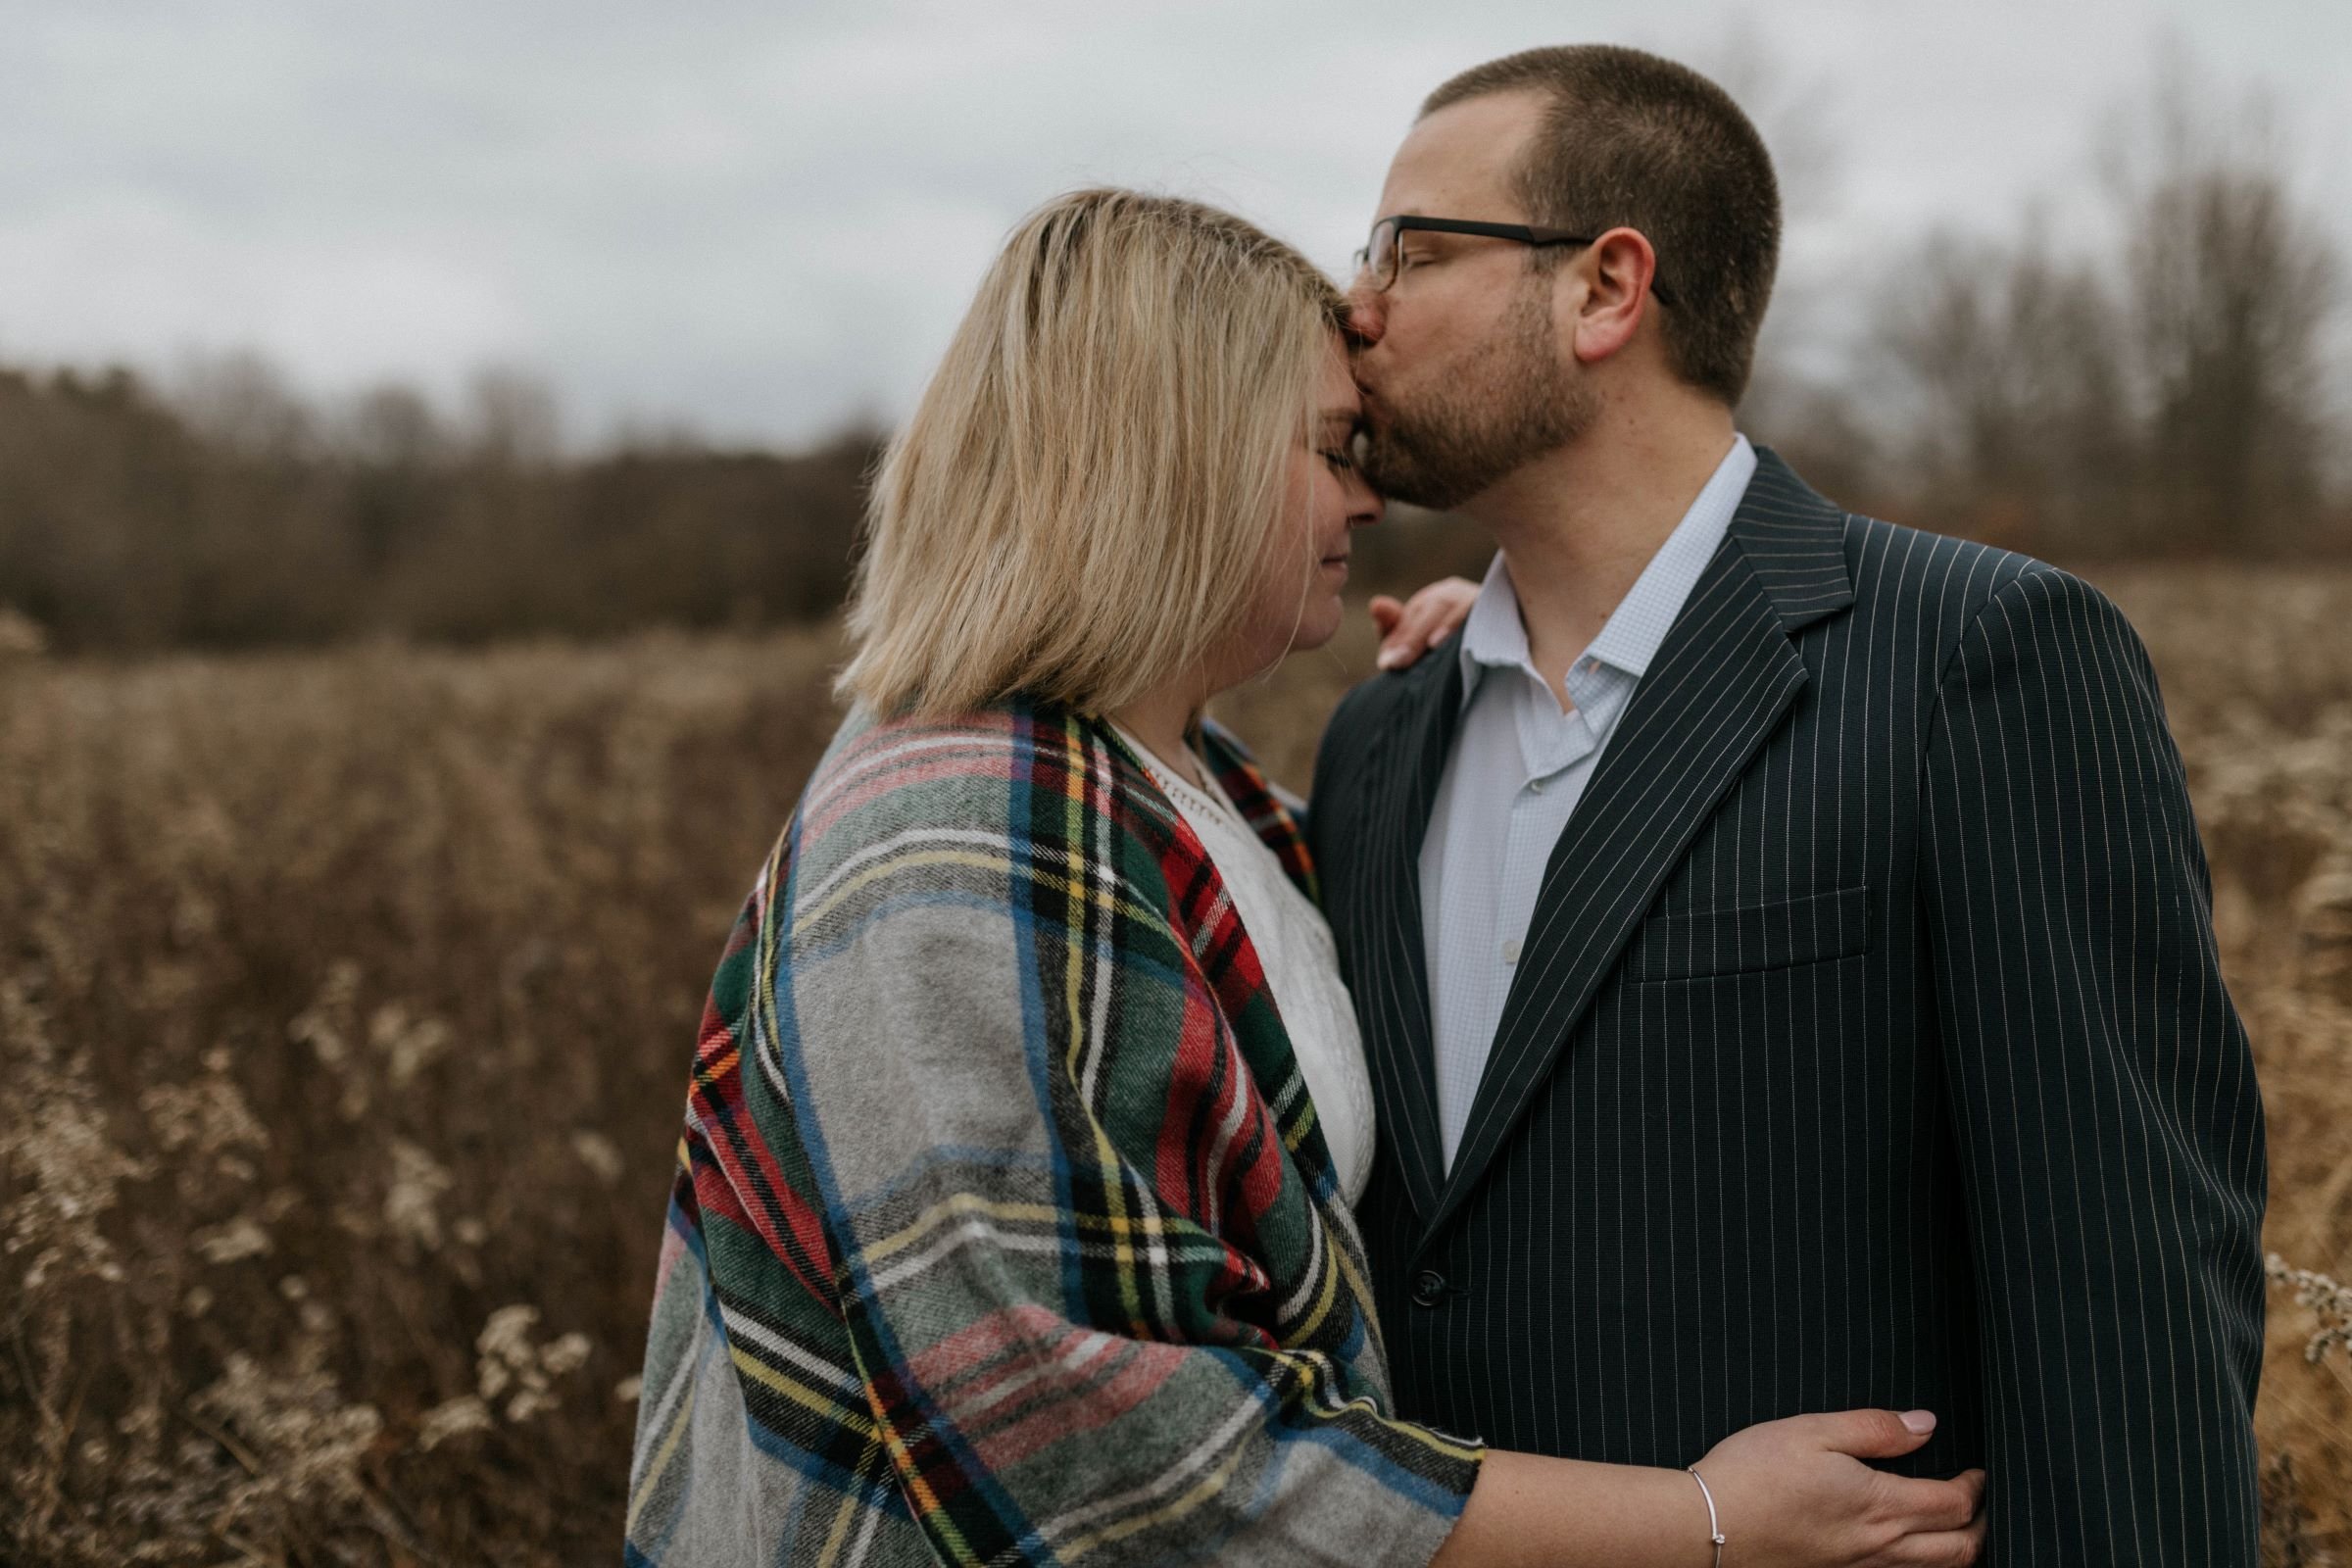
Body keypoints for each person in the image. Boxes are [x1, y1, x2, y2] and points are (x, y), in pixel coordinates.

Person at [624, 187, 1988, 1566]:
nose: (1369, 495)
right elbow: (1118, 1471)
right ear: (1185, 455)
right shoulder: (952, 840)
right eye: (1334, 447)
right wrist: (1701, 1523)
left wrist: (1517, 679)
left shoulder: (1185, 791)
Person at [1310, 44, 2268, 1566]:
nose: (1354, 304)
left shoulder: (1978, 658)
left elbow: (2130, 1292)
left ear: (1604, 290)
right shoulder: (1374, 738)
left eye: (1410, 251)